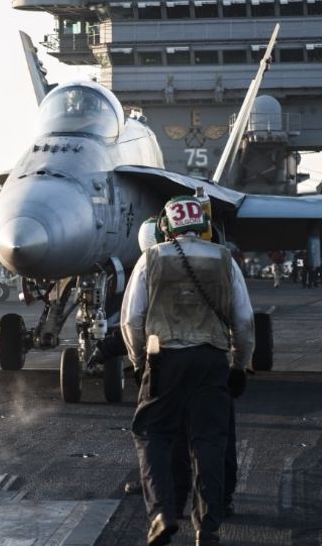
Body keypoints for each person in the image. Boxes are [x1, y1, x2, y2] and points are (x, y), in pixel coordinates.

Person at [122, 196, 254, 546]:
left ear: (166, 226)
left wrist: (138, 362)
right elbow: (243, 321)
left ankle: (161, 514)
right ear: (204, 224)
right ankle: (207, 528)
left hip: (164, 360)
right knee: (210, 442)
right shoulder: (225, 259)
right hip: (211, 361)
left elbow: (132, 320)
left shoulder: (150, 259)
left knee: (152, 434)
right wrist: (239, 365)